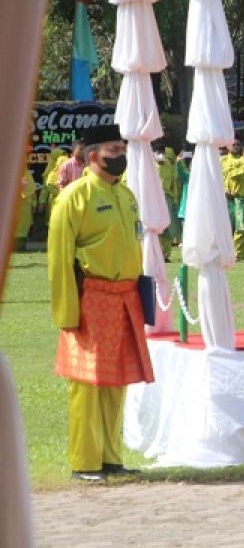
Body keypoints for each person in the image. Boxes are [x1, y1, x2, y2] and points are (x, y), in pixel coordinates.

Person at [47, 124, 154, 482]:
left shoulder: (127, 195)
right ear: (93, 155)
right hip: (91, 297)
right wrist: (66, 312)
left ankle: (111, 457)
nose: (120, 154)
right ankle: (85, 462)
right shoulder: (73, 197)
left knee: (117, 380)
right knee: (87, 382)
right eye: (113, 148)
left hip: (126, 298)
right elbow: (59, 258)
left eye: (121, 147)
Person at [156, 147, 181, 261]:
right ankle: (156, 253)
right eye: (158, 153)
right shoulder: (148, 164)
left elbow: (173, 183)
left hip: (167, 197)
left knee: (167, 226)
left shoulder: (169, 165)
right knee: (154, 226)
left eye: (162, 153)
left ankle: (165, 255)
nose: (160, 155)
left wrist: (175, 199)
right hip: (153, 197)